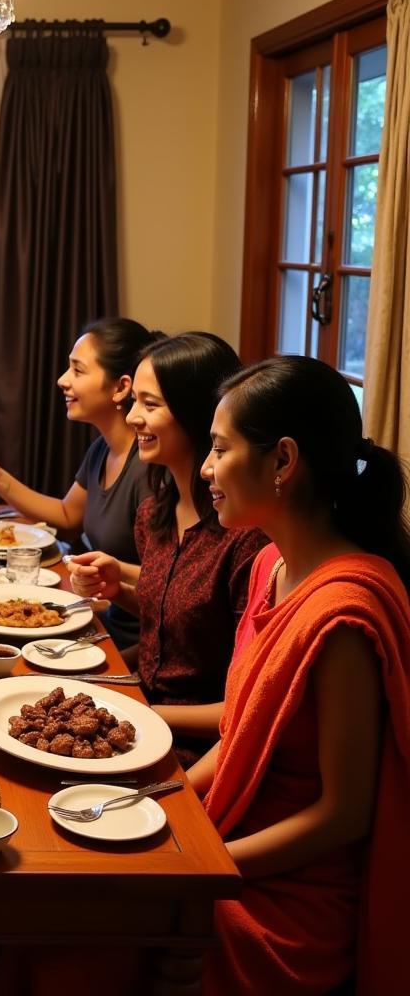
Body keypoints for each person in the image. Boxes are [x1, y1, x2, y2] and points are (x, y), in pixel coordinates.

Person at [190, 356, 410, 996]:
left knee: (98, 935)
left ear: (282, 461)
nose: (206, 468)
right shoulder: (269, 566)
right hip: (234, 836)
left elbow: (343, 815)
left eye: (220, 448)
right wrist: (164, 800)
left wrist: (206, 866)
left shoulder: (345, 613)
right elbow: (237, 734)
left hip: (289, 892)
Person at [67, 333, 266, 766]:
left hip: (197, 749)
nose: (133, 416)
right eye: (133, 400)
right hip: (138, 719)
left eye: (150, 405)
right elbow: (175, 627)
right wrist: (117, 590)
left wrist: (137, 709)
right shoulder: (154, 514)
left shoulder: (245, 537)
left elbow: (247, 701)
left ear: (198, 415)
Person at [0, 318, 158, 647]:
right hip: (99, 620)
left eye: (77, 370)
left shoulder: (148, 469)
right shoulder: (103, 448)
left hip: (130, 642)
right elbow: (67, 516)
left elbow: (166, 584)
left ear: (120, 387)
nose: (62, 380)